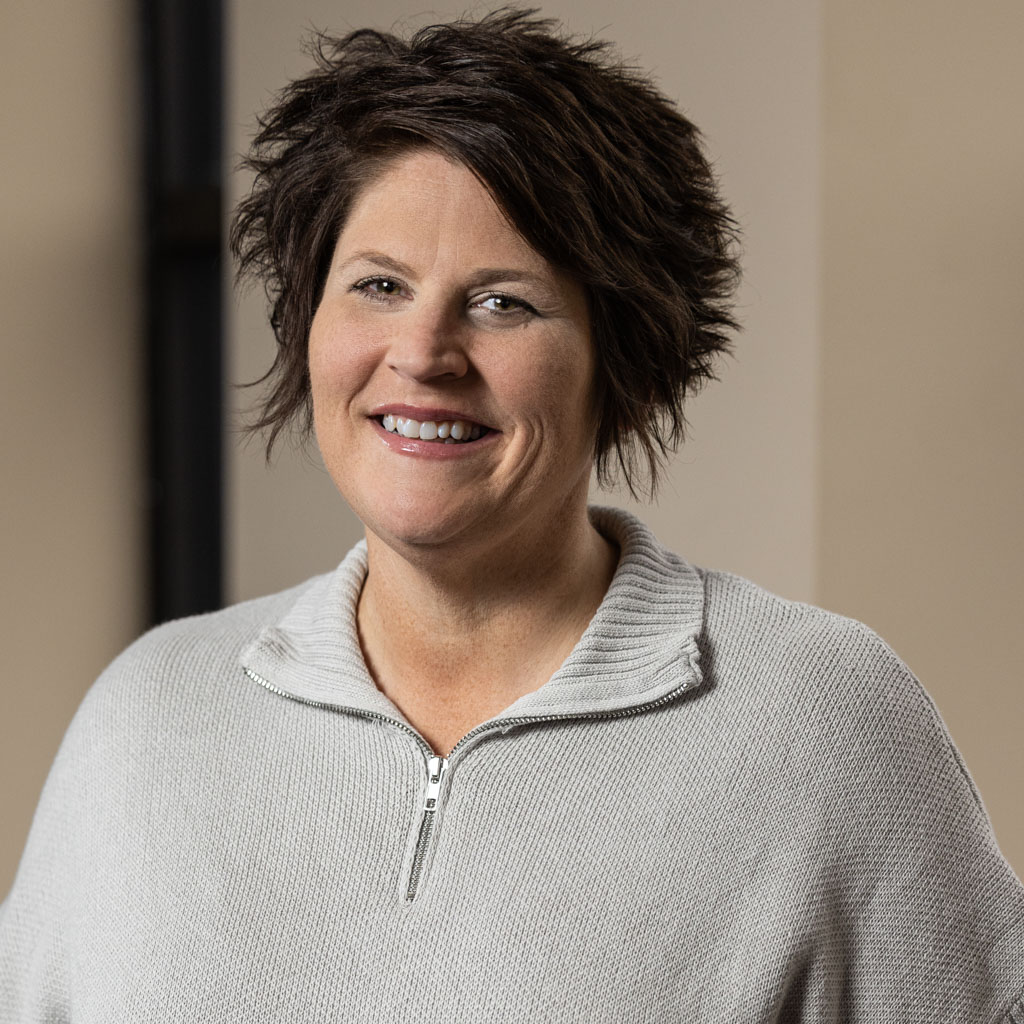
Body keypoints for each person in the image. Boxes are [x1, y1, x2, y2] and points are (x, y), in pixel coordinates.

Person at [2, 9, 1022, 1021]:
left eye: (503, 302)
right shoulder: (148, 718)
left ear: (618, 357)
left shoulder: (820, 723)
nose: (424, 352)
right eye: (378, 285)